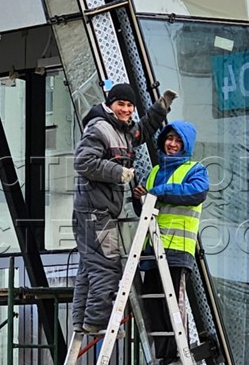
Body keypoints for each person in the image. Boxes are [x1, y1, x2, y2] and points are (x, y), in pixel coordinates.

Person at [71, 81, 175, 336]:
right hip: (95, 211)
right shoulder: (101, 128)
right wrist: (119, 172)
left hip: (98, 210)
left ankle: (82, 320)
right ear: (110, 104)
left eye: (130, 105)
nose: (126, 109)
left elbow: (143, 131)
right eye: (121, 104)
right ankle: (98, 322)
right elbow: (83, 162)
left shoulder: (123, 130)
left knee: (90, 265)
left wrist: (160, 109)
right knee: (107, 265)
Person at [136, 119, 209, 365]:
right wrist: (141, 197)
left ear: (186, 145)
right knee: (152, 305)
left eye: (178, 141)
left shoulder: (195, 170)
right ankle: (163, 356)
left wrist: (158, 191)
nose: (172, 144)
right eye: (169, 139)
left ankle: (179, 352)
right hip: (152, 250)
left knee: (173, 306)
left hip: (177, 249)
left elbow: (196, 193)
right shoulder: (155, 172)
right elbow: (146, 207)